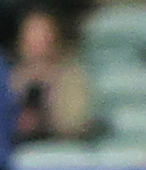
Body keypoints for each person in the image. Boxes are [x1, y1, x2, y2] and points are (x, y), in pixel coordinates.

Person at [12, 8, 91, 145]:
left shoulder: (72, 77)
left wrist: (51, 95)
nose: (37, 41)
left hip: (60, 149)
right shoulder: (9, 77)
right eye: (31, 33)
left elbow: (76, 122)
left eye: (43, 34)